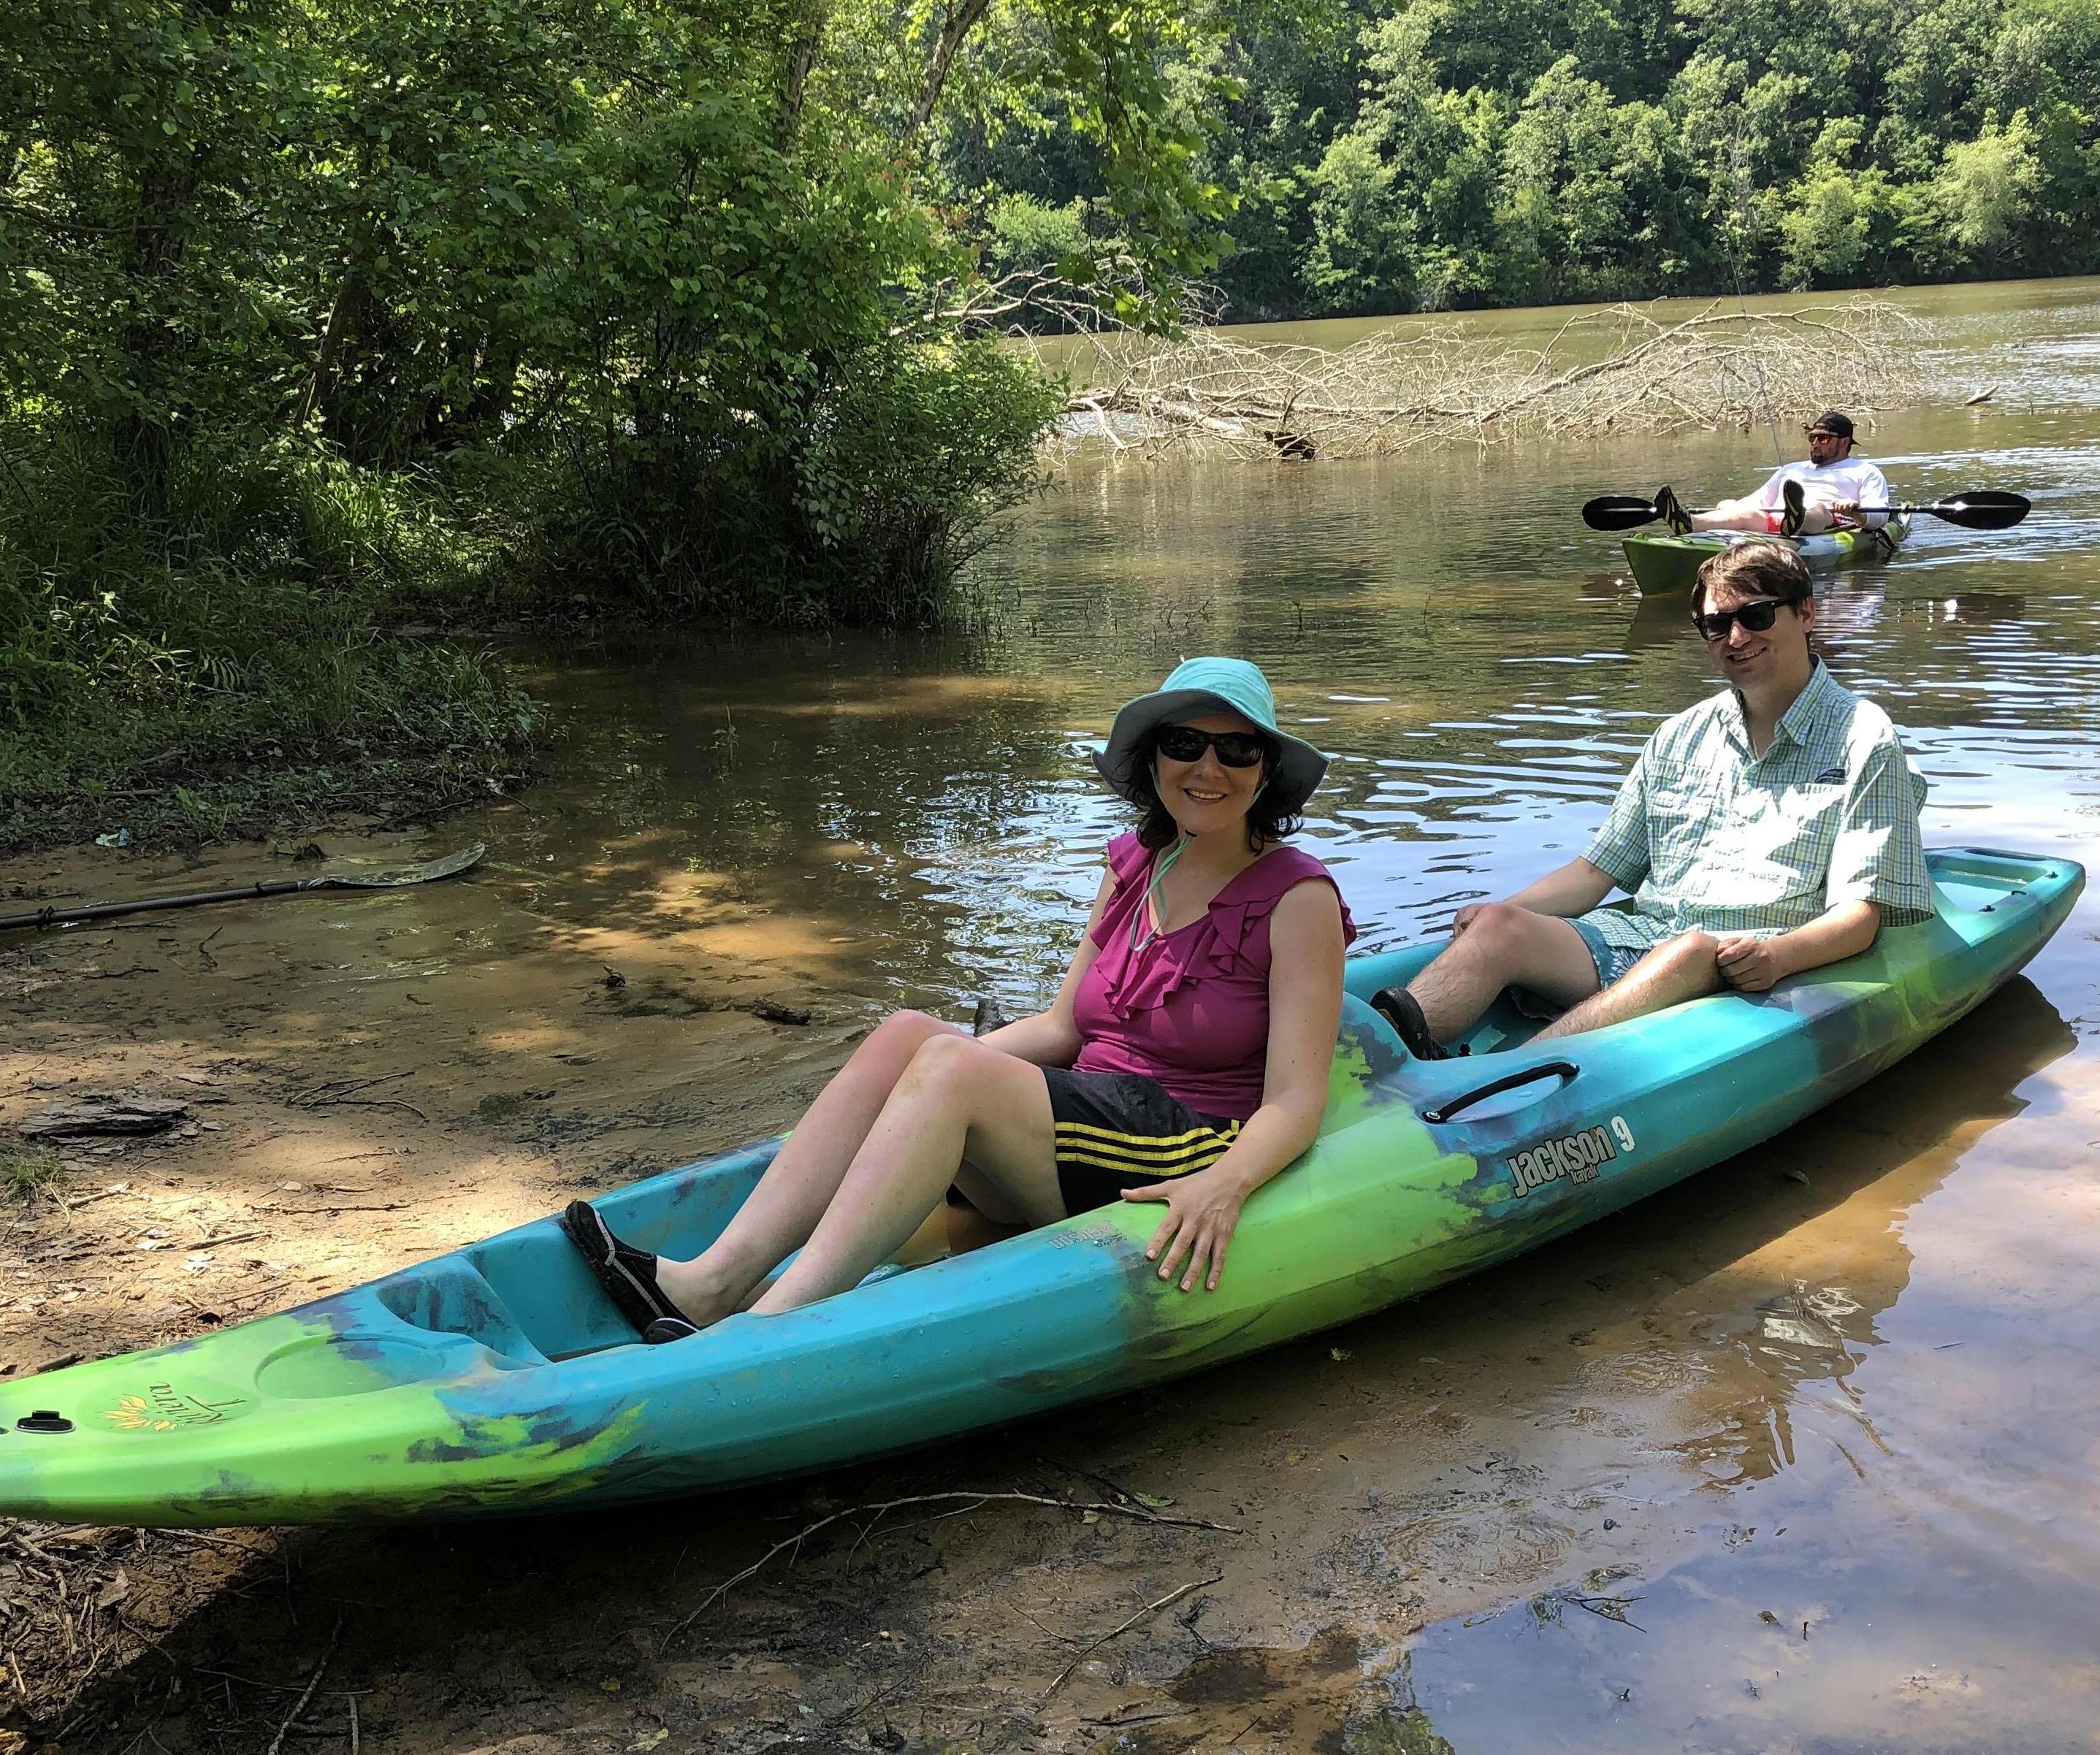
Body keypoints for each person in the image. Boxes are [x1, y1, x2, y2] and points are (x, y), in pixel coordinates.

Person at [562, 657, 1356, 1335]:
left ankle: (771, 1329)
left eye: (1237, 750)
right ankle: (713, 1283)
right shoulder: (1135, 863)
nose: (1208, 770)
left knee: (946, 1064)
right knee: (913, 1032)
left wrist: (1223, 1186)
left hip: (1183, 1135)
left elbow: (1293, 1101)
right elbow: (1058, 1025)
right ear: (1153, 758)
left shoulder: (1296, 898)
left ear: (1265, 770)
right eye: (1185, 744)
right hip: (1091, 1103)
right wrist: (906, 1087)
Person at [1370, 540, 1931, 1057]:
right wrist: (1502, 909)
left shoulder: (1864, 738)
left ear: (1805, 613)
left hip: (1738, 958)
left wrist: (1777, 957)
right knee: (1499, 924)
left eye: (1755, 616)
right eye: (1716, 625)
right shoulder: (1679, 736)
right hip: (1638, 940)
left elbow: (1860, 916)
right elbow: (1596, 873)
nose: (1735, 638)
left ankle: (1509, 1075)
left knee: (1687, 951)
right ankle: (1378, 1063)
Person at [1689, 410, 1890, 537]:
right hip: (1776, 522)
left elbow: (1879, 514)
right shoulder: (1791, 470)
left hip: (1829, 521)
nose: (1815, 443)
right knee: (1742, 512)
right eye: (1812, 437)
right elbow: (1758, 501)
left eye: (1824, 439)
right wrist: (1728, 509)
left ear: (1845, 442)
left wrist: (1856, 510)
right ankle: (1689, 523)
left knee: (1818, 509)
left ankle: (1797, 519)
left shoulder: (1865, 471)